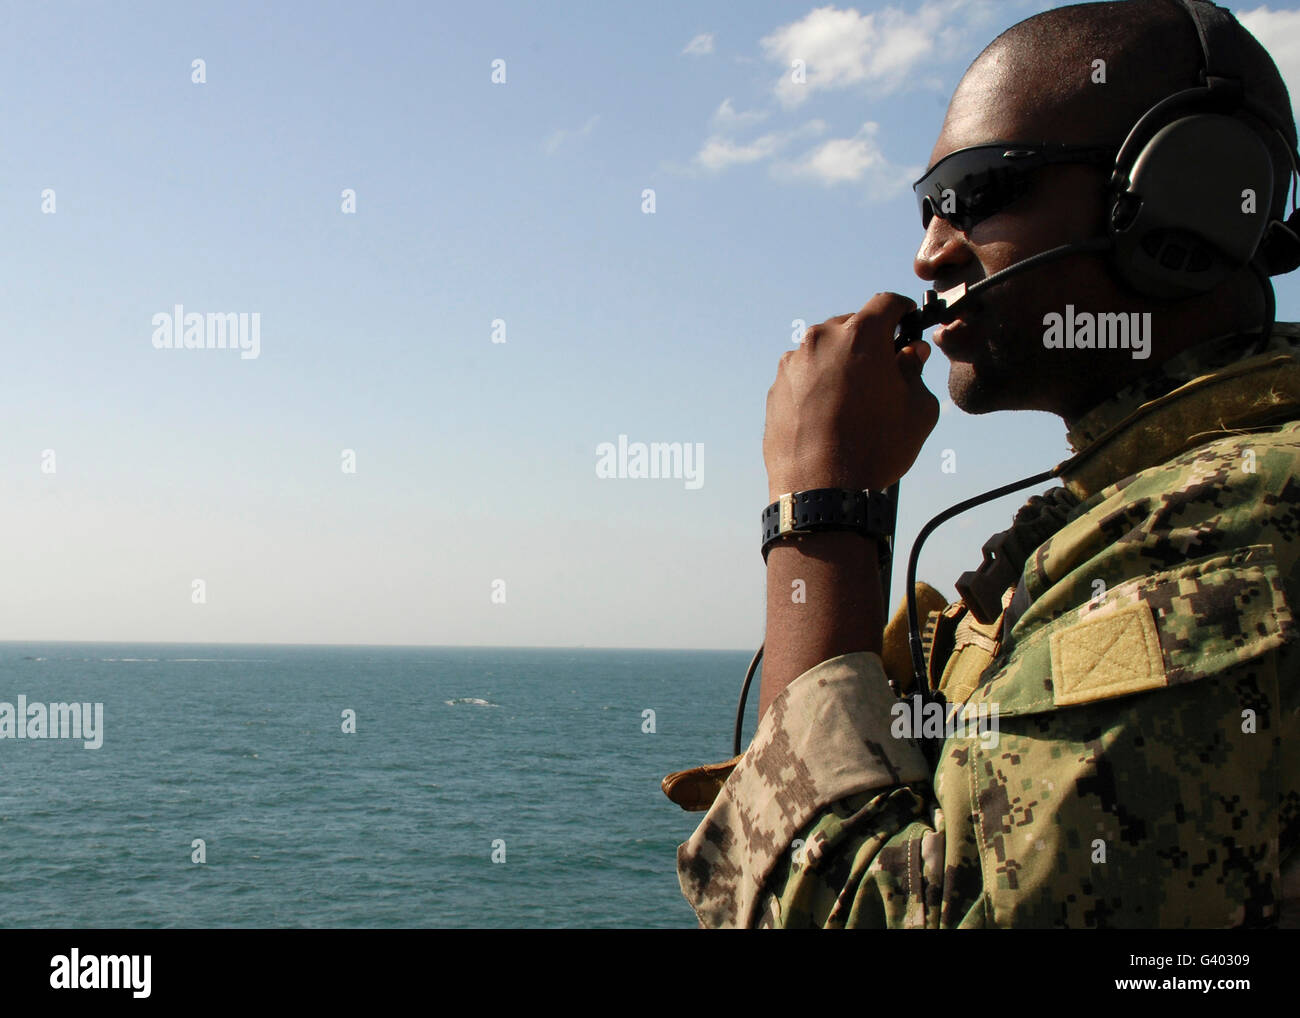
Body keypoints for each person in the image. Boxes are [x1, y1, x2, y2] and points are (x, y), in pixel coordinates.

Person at [667, 0, 1300, 927]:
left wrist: (821, 516)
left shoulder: (1234, 528)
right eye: (927, 208)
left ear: (1180, 200)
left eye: (978, 191)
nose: (929, 254)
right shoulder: (1134, 510)